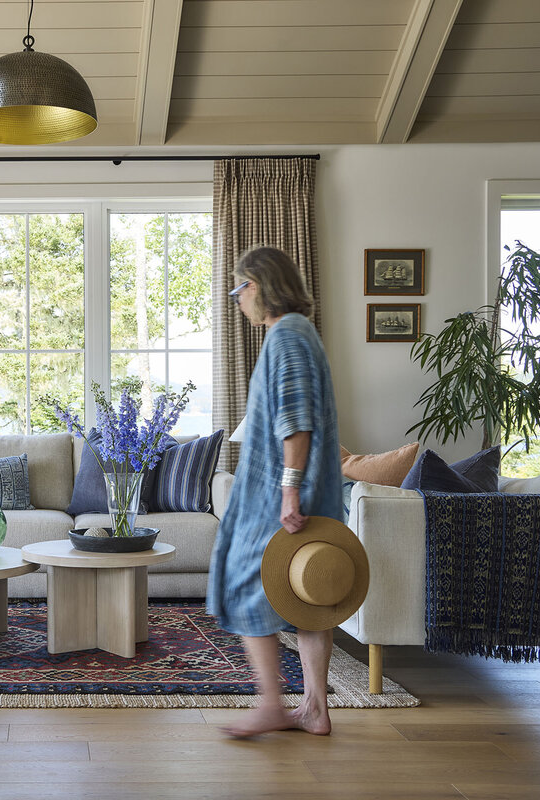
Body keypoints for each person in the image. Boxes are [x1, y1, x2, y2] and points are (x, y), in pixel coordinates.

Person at [207, 245, 343, 738]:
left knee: (245, 581)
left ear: (258, 285)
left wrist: (288, 492)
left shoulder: (285, 336)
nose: (236, 299)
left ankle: (269, 704)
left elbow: (295, 423)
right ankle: (314, 709)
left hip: (278, 496)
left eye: (238, 287)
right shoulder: (300, 333)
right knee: (311, 596)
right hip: (303, 490)